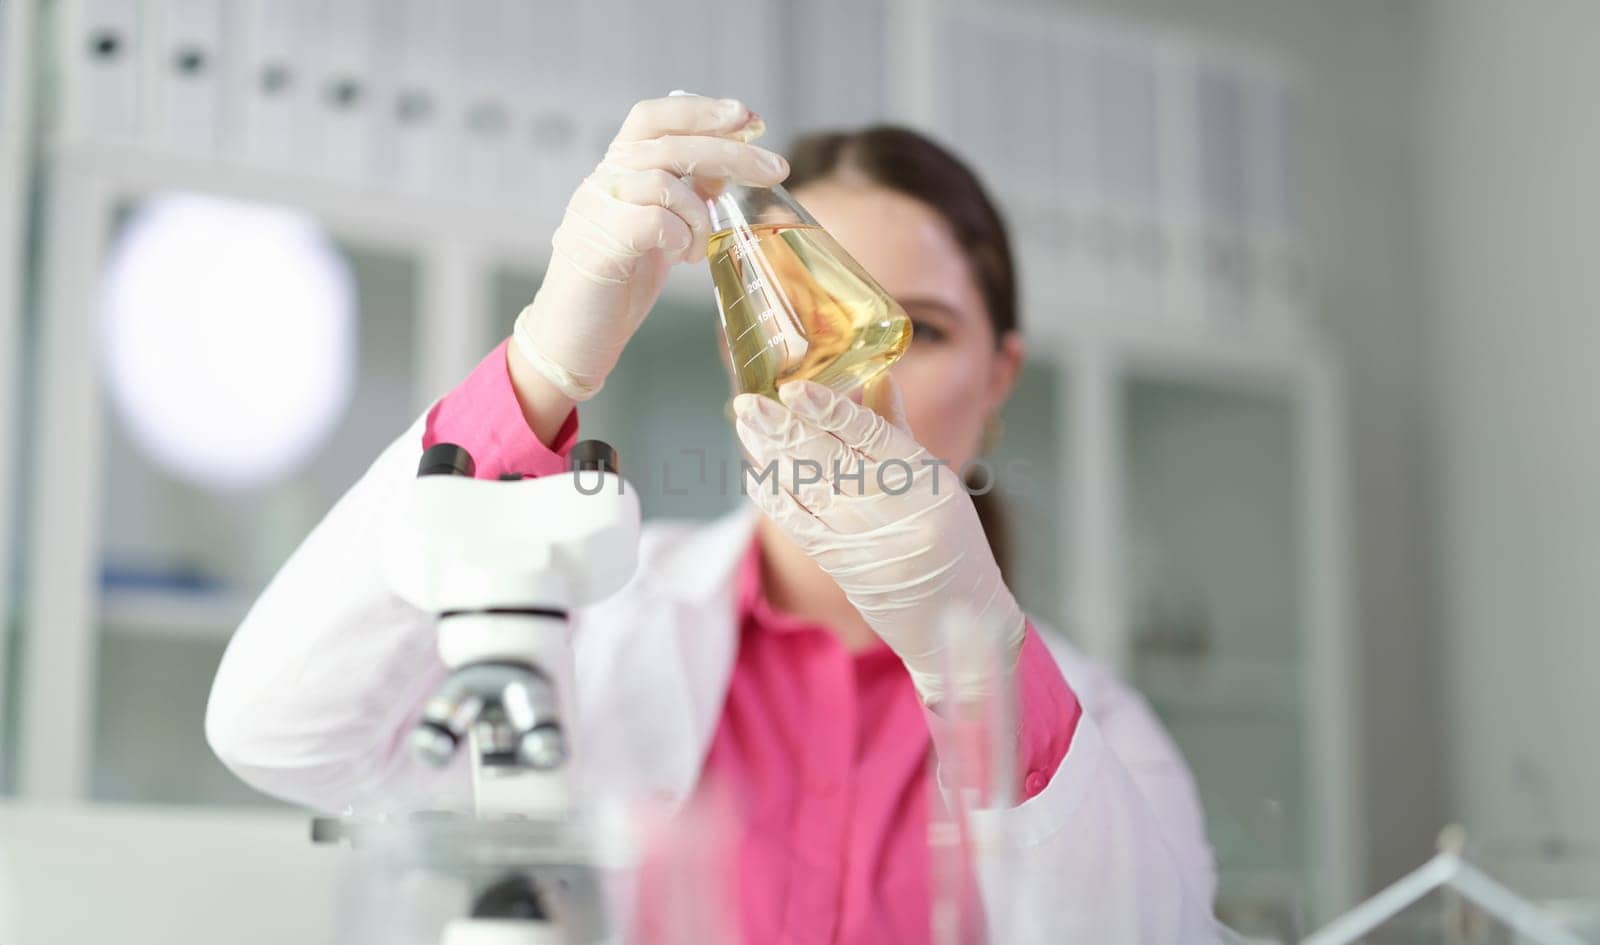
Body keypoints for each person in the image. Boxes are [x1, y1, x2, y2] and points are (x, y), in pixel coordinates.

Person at [206, 95, 1218, 944]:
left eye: (915, 330)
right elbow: (282, 736)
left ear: (999, 377)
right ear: (737, 343)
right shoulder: (591, 620)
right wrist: (541, 369)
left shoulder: (1091, 726)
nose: (849, 369)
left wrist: (982, 661)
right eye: (797, 313)